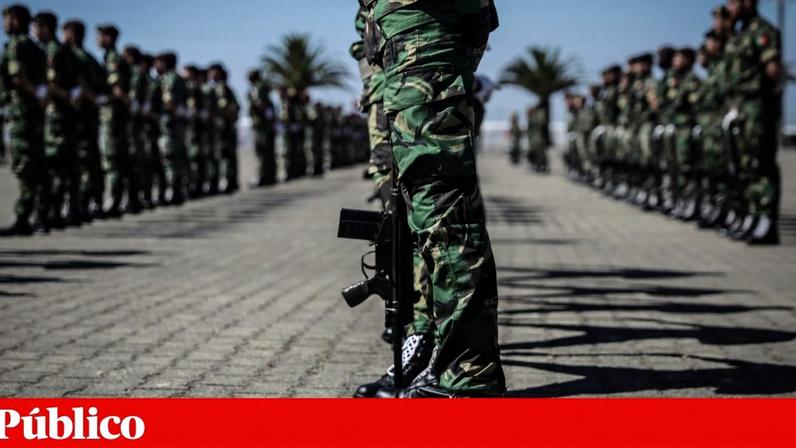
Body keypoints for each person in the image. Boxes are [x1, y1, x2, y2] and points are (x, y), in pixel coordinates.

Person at [359, 0, 504, 398]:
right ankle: (447, 360)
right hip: (406, 36)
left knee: (442, 212)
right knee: (426, 212)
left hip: (423, 30)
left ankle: (470, 379)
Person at [723, 0, 782, 245]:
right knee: (746, 165)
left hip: (756, 106)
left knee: (761, 163)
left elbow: (773, 70)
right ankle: (753, 216)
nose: (729, 7)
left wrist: (767, 104)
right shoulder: (739, 34)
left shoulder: (762, 31)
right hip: (741, 108)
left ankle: (767, 221)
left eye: (734, 2)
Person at [0, 4, 47, 236]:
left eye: (6, 19)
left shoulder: (17, 45)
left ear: (16, 20)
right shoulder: (36, 48)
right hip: (34, 115)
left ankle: (23, 217)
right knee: (35, 164)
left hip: (20, 113)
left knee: (24, 167)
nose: (4, 24)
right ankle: (38, 214)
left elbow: (17, 78)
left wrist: (31, 93)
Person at [33, 11, 82, 228]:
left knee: (52, 166)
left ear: (45, 27)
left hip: (55, 117)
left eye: (37, 27)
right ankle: (63, 211)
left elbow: (52, 85)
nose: (34, 31)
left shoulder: (51, 51)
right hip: (67, 117)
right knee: (65, 167)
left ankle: (48, 214)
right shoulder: (66, 52)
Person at [63, 19, 105, 221]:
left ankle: (80, 205)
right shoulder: (90, 58)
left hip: (79, 119)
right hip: (83, 119)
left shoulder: (78, 58)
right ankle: (83, 205)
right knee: (85, 162)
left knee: (81, 163)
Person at [96, 24, 131, 218]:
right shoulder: (116, 58)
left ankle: (114, 202)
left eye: (100, 35)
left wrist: (127, 105)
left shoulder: (112, 59)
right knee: (116, 159)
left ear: (109, 37)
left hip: (112, 115)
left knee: (111, 160)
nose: (97, 39)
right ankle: (117, 200)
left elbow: (117, 90)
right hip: (117, 115)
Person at [154, 52, 188, 205]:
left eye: (159, 62)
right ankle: (177, 190)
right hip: (177, 125)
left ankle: (173, 191)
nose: (156, 66)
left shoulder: (169, 78)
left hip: (168, 125)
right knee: (177, 158)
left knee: (169, 158)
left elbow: (169, 101)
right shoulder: (179, 78)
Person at [247, 69, 277, 186]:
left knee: (261, 151)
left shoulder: (256, 88)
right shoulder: (264, 89)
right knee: (268, 151)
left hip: (261, 125)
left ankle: (263, 176)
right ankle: (270, 175)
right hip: (267, 125)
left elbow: (259, 103)